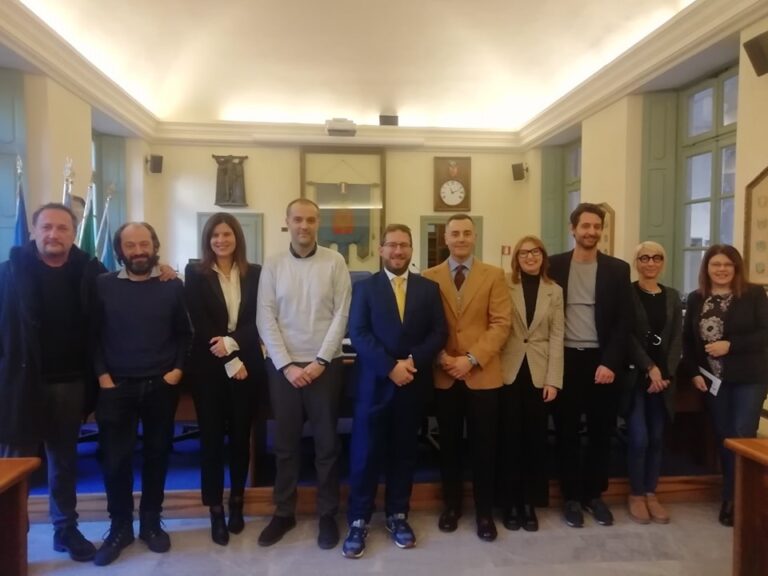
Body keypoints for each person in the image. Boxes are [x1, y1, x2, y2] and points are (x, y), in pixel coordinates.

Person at [0, 203, 104, 562]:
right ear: (33, 230)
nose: (53, 234)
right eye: (46, 227)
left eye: (62, 228)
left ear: (73, 233)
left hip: (69, 384)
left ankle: (66, 529)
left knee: (64, 462)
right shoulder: (8, 273)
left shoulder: (90, 272)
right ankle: (8, 536)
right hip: (19, 384)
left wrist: (163, 271)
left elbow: (125, 290)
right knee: (13, 465)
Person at [342, 224, 447, 558]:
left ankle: (398, 515)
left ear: (411, 250)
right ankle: (358, 519)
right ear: (381, 249)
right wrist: (390, 366)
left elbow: (439, 332)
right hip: (373, 385)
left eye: (404, 245)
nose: (398, 251)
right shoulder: (364, 288)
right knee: (365, 455)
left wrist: (411, 362)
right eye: (392, 245)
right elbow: (358, 332)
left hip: (412, 385)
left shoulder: (428, 289)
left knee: (404, 454)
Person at [91, 222, 191, 566]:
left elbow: (185, 333)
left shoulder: (172, 285)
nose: (138, 251)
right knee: (115, 460)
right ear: (120, 250)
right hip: (116, 387)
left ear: (155, 246)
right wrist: (103, 376)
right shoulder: (102, 285)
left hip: (160, 386)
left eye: (144, 244)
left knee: (157, 455)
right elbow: (92, 334)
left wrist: (177, 370)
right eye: (130, 245)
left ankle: (150, 522)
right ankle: (120, 527)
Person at [256, 198, 352, 550]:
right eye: (297, 219)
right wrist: (286, 365)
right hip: (284, 369)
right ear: (287, 222)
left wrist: (320, 361)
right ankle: (284, 512)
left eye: (311, 220)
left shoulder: (335, 262)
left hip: (324, 367)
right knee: (285, 445)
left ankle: (328, 514)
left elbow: (342, 314)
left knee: (327, 445)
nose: (304, 226)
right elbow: (265, 317)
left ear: (318, 223)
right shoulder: (273, 264)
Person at [422, 214, 512, 542]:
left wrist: (471, 359)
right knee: (448, 447)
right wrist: (442, 357)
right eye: (455, 233)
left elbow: (501, 324)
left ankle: (484, 512)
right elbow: (424, 325)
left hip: (482, 375)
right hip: (444, 374)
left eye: (466, 233)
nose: (461, 238)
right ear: (445, 238)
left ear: (474, 237)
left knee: (484, 447)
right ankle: (452, 506)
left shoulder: (494, 275)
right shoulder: (428, 277)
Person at [548, 202, 633, 528]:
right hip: (565, 359)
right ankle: (570, 497)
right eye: (585, 226)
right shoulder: (554, 265)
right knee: (566, 432)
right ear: (573, 229)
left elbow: (623, 322)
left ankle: (594, 495)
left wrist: (610, 361)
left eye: (597, 226)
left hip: (602, 361)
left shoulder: (618, 269)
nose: (591, 231)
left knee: (601, 432)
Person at [184, 213, 266, 545]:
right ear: (208, 240)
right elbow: (199, 321)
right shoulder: (195, 273)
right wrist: (230, 359)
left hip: (247, 363)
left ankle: (237, 502)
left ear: (237, 238)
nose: (221, 240)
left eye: (227, 234)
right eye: (215, 235)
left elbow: (260, 317)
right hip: (209, 367)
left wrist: (233, 345)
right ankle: (215, 509)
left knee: (241, 438)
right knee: (212, 440)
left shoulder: (256, 273)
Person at [681, 244, 768, 527]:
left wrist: (731, 345)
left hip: (749, 378)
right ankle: (731, 493)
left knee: (743, 435)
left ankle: (742, 498)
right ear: (706, 268)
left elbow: (765, 333)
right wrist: (693, 372)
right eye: (715, 264)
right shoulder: (696, 298)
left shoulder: (754, 294)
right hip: (713, 381)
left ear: (736, 267)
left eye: (727, 264)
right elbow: (687, 340)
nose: (721, 269)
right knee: (724, 437)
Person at [498, 235, 563, 532]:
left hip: (540, 372)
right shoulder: (504, 285)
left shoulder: (554, 290)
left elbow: (558, 336)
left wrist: (554, 380)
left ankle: (528, 503)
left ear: (543, 256)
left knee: (534, 441)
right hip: (508, 371)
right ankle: (509, 503)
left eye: (535, 252)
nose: (530, 257)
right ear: (516, 259)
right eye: (524, 253)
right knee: (509, 440)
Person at [625, 241, 682, 524]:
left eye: (656, 258)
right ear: (636, 262)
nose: (650, 263)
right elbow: (627, 335)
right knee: (640, 438)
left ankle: (651, 492)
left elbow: (676, 338)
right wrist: (650, 367)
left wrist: (665, 374)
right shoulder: (628, 293)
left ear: (663, 262)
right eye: (644, 258)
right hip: (636, 376)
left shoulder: (672, 296)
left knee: (657, 438)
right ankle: (636, 494)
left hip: (663, 382)